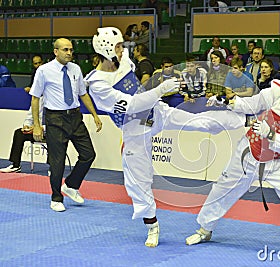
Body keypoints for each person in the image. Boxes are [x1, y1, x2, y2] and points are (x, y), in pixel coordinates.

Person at [84, 27, 246, 248]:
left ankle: (243, 121)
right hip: (134, 129)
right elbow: (132, 105)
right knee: (137, 182)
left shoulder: (125, 63)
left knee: (198, 123)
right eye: (119, 46)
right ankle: (152, 225)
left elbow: (140, 89)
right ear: (106, 49)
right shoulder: (97, 84)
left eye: (122, 45)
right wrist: (161, 89)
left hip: (156, 112)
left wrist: (162, 85)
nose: (123, 50)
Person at [186, 68, 280, 261]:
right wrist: (228, 102)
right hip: (248, 152)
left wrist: (271, 135)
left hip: (277, 162)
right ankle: (205, 230)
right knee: (222, 190)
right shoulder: (276, 92)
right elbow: (250, 104)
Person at [30, 38, 103, 212]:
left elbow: (83, 94)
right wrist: (37, 125)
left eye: (71, 50)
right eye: (65, 50)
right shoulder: (44, 71)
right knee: (57, 162)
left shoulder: (76, 69)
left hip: (75, 118)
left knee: (88, 154)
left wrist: (94, 115)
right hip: (55, 119)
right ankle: (56, 198)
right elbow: (35, 98)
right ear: (56, 52)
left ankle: (71, 185)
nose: (69, 53)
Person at [0, 98, 44, 173]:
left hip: (51, 131)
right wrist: (26, 126)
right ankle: (15, 165)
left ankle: (53, 168)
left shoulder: (57, 101)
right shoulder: (38, 100)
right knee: (19, 133)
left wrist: (41, 128)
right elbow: (29, 118)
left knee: (55, 136)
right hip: (35, 130)